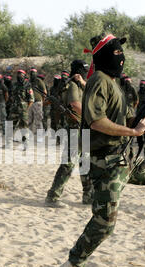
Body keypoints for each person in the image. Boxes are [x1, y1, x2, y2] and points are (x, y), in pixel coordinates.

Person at [55, 34, 145, 267]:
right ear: (106, 56)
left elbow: (126, 118)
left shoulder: (113, 84)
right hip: (106, 164)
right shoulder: (98, 81)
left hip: (125, 160)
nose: (121, 57)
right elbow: (96, 121)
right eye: (117, 53)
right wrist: (133, 131)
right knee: (104, 224)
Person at [45, 60, 93, 208]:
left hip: (83, 127)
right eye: (84, 70)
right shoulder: (71, 85)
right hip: (75, 128)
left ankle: (88, 196)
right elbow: (75, 105)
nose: (85, 73)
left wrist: (83, 82)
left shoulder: (79, 84)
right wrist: (91, 116)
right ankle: (53, 196)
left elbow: (91, 93)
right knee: (68, 163)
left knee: (85, 162)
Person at [8, 70, 34, 149]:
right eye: (18, 74)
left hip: (23, 110)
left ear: (24, 75)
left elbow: (31, 100)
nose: (19, 76)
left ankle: (26, 145)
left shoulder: (28, 86)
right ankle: (8, 144)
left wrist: (26, 109)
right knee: (10, 126)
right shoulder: (15, 85)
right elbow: (12, 96)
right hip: (14, 109)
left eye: (21, 74)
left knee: (24, 128)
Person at [28, 67, 47, 136]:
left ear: (36, 73)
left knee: (38, 120)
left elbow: (44, 91)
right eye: (31, 72)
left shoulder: (39, 81)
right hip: (30, 102)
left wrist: (43, 101)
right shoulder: (28, 81)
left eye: (34, 72)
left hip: (37, 102)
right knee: (29, 120)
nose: (32, 73)